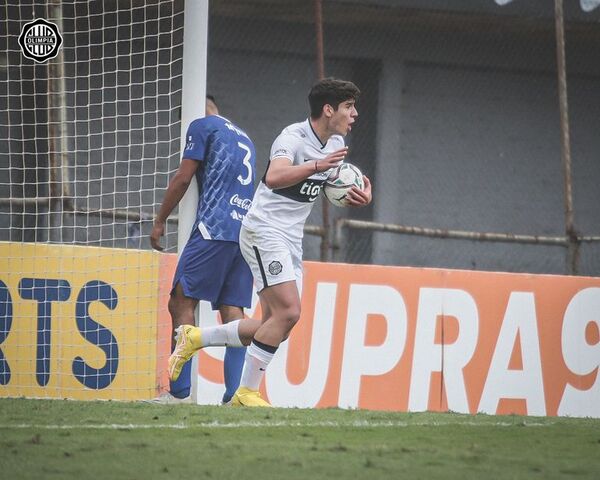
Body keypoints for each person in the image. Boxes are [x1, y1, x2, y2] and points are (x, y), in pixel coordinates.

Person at [169, 78, 372, 407]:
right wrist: (315, 166)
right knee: (289, 311)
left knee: (275, 323)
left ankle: (195, 338)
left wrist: (361, 191)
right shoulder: (292, 137)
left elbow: (339, 179)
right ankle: (245, 393)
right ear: (328, 109)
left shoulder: (335, 142)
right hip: (263, 229)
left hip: (291, 238)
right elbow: (276, 176)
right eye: (349, 107)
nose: (355, 114)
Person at [149, 95, 260, 404]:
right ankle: (235, 396)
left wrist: (159, 221)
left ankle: (180, 393)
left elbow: (183, 178)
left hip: (214, 228)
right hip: (244, 232)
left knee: (181, 300)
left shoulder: (201, 126)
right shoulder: (244, 136)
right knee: (232, 311)